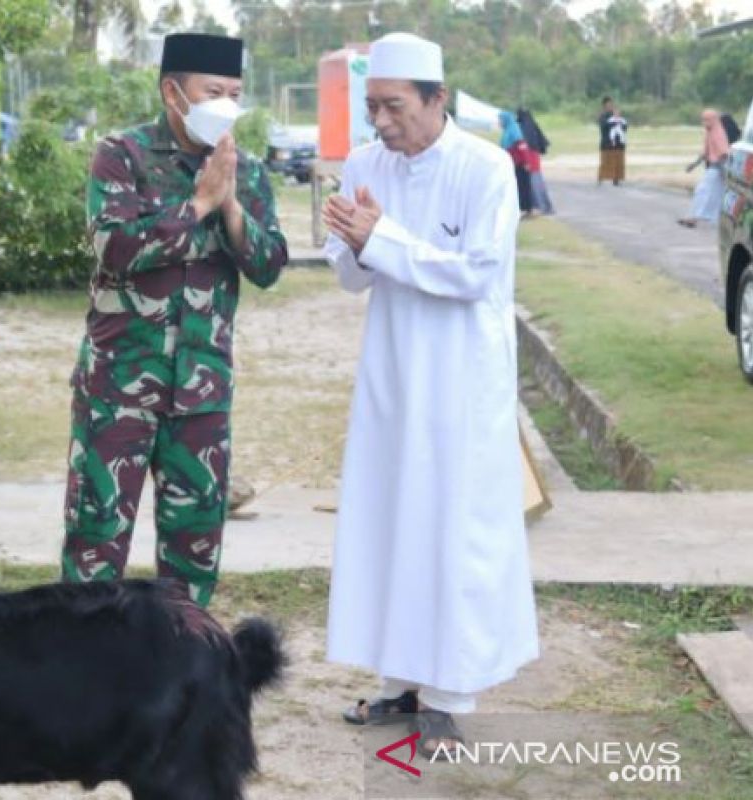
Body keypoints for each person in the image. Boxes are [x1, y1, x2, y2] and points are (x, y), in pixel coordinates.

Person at [321, 32, 539, 757]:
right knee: (389, 521)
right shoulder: (363, 164)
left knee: (450, 528)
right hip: (391, 370)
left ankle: (447, 696)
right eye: (372, 107)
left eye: (394, 108)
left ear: (436, 99)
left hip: (461, 378)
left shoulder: (486, 168)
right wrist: (356, 245)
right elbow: (351, 278)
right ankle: (395, 681)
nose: (381, 123)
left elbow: (475, 275)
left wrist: (380, 238)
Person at [60, 32, 288, 608]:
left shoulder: (247, 170)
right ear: (172, 91)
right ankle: (85, 691)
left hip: (202, 396)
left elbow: (268, 265)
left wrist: (232, 203)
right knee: (95, 550)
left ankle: (182, 686)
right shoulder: (123, 155)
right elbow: (115, 248)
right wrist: (200, 205)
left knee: (193, 559)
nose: (226, 106)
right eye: (213, 91)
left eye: (235, 93)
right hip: (118, 389)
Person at [678, 109, 731, 228]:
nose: (704, 122)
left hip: (718, 168)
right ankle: (694, 218)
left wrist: (723, 172)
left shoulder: (718, 133)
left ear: (714, 120)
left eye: (707, 120)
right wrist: (694, 165)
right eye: (703, 119)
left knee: (703, 191)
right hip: (714, 168)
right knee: (712, 194)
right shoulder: (710, 132)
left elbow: (724, 154)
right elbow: (705, 153)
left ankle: (692, 218)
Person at [517, 107, 554, 215]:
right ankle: (545, 206)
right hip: (535, 155)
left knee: (534, 182)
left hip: (529, 156)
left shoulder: (523, 127)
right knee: (538, 181)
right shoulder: (532, 124)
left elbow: (524, 143)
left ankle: (541, 206)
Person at [499, 110, 535, 218]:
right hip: (513, 163)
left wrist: (526, 162)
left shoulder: (514, 131)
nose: (499, 122)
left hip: (520, 164)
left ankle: (526, 209)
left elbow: (522, 147)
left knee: (522, 186)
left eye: (501, 120)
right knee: (516, 186)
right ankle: (521, 208)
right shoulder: (507, 131)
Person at [597, 97, 626, 186]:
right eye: (608, 104)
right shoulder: (602, 116)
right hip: (606, 143)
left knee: (618, 162)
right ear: (604, 106)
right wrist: (613, 123)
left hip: (618, 143)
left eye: (611, 104)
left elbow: (624, 126)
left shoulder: (617, 115)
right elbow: (604, 127)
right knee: (605, 162)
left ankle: (616, 179)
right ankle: (601, 179)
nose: (610, 106)